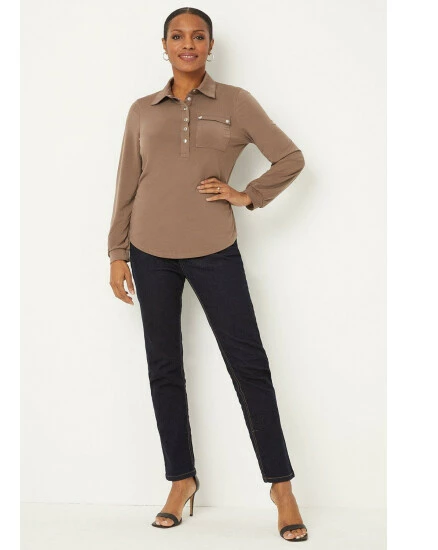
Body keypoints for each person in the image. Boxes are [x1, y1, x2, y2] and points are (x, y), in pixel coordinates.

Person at [107, 7, 308, 542]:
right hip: (149, 251)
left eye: (198, 36)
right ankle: (181, 479)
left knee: (249, 366)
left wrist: (247, 195)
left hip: (214, 249)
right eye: (178, 36)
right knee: (164, 367)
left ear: (211, 46)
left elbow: (289, 158)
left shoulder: (236, 102)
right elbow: (127, 181)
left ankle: (282, 488)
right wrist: (117, 252)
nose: (188, 44)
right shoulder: (142, 110)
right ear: (164, 45)